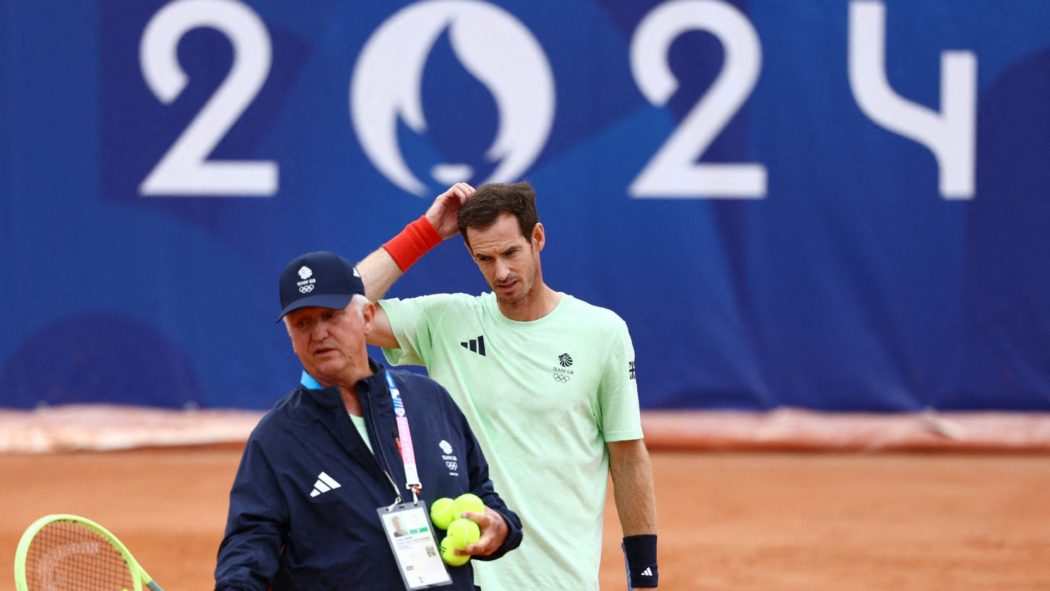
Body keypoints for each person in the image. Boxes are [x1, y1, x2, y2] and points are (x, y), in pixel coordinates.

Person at [357, 182, 659, 590]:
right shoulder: (445, 321)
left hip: (559, 579)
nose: (500, 272)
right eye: (485, 258)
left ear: (537, 238)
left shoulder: (602, 332)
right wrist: (424, 232)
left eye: (510, 253)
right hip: (460, 578)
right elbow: (337, 308)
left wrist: (644, 576)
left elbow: (627, 457)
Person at [214, 251, 523, 590]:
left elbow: (481, 493)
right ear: (290, 336)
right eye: (302, 323)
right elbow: (250, 543)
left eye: (331, 316)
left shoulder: (430, 401)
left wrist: (501, 527)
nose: (318, 334)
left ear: (366, 317)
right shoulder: (276, 438)